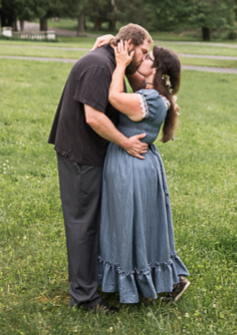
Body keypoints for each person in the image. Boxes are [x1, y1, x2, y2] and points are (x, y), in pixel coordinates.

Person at [49, 23, 152, 313]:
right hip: (81, 155)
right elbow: (93, 117)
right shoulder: (98, 66)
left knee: (91, 222)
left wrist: (123, 55)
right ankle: (84, 299)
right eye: (143, 51)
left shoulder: (110, 60)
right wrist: (125, 143)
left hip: (90, 153)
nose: (145, 58)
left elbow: (140, 90)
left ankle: (90, 284)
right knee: (83, 224)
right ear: (130, 43)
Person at [98, 42, 190, 304]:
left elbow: (114, 98)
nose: (144, 58)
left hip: (133, 165)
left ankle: (145, 283)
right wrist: (121, 54)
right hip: (138, 162)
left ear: (157, 68)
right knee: (137, 222)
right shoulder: (151, 91)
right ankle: (148, 281)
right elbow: (133, 77)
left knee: (131, 222)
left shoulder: (150, 100)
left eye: (148, 56)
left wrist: (118, 64)